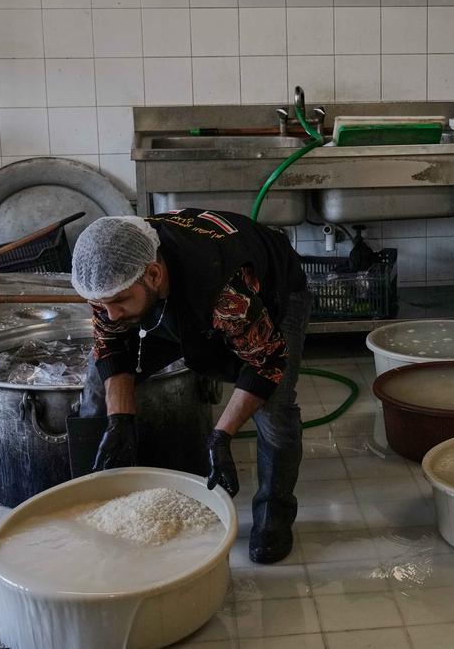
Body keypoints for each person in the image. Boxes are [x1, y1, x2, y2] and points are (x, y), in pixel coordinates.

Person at [70, 211, 310, 564]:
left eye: (119, 301)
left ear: (153, 273)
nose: (112, 314)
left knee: (275, 410)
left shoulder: (224, 290)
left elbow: (265, 362)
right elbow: (112, 348)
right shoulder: (112, 273)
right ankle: (94, 497)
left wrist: (221, 436)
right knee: (96, 381)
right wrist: (119, 421)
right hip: (175, 301)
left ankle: (274, 512)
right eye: (103, 304)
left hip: (275, 291)